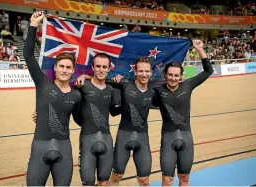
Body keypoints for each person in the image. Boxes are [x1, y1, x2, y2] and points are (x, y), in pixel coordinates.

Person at [33, 53, 121, 186]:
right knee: (88, 183)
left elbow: (114, 111)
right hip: (87, 140)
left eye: (104, 67)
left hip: (107, 140)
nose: (101, 69)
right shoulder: (81, 87)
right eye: (98, 66)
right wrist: (42, 112)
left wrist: (129, 103)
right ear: (92, 67)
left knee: (104, 182)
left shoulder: (111, 88)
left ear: (109, 68)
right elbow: (64, 101)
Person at [76, 56, 158, 186]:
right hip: (122, 136)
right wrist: (86, 76)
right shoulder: (124, 84)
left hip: (142, 137)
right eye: (140, 71)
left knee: (144, 180)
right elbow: (101, 79)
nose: (144, 74)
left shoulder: (153, 92)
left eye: (147, 71)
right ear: (135, 72)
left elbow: (169, 96)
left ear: (151, 72)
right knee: (115, 176)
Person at [24, 11, 82, 186]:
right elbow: (28, 56)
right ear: (55, 68)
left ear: (73, 71)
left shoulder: (76, 95)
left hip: (64, 150)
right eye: (61, 66)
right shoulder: (43, 83)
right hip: (39, 148)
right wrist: (34, 25)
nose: (64, 70)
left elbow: (81, 120)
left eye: (68, 67)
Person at [153, 39, 214, 186]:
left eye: (176, 75)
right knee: (167, 181)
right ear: (165, 75)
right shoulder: (157, 91)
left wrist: (199, 50)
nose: (173, 78)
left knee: (185, 179)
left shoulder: (188, 85)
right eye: (170, 75)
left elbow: (208, 71)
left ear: (181, 76)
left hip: (186, 138)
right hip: (168, 139)